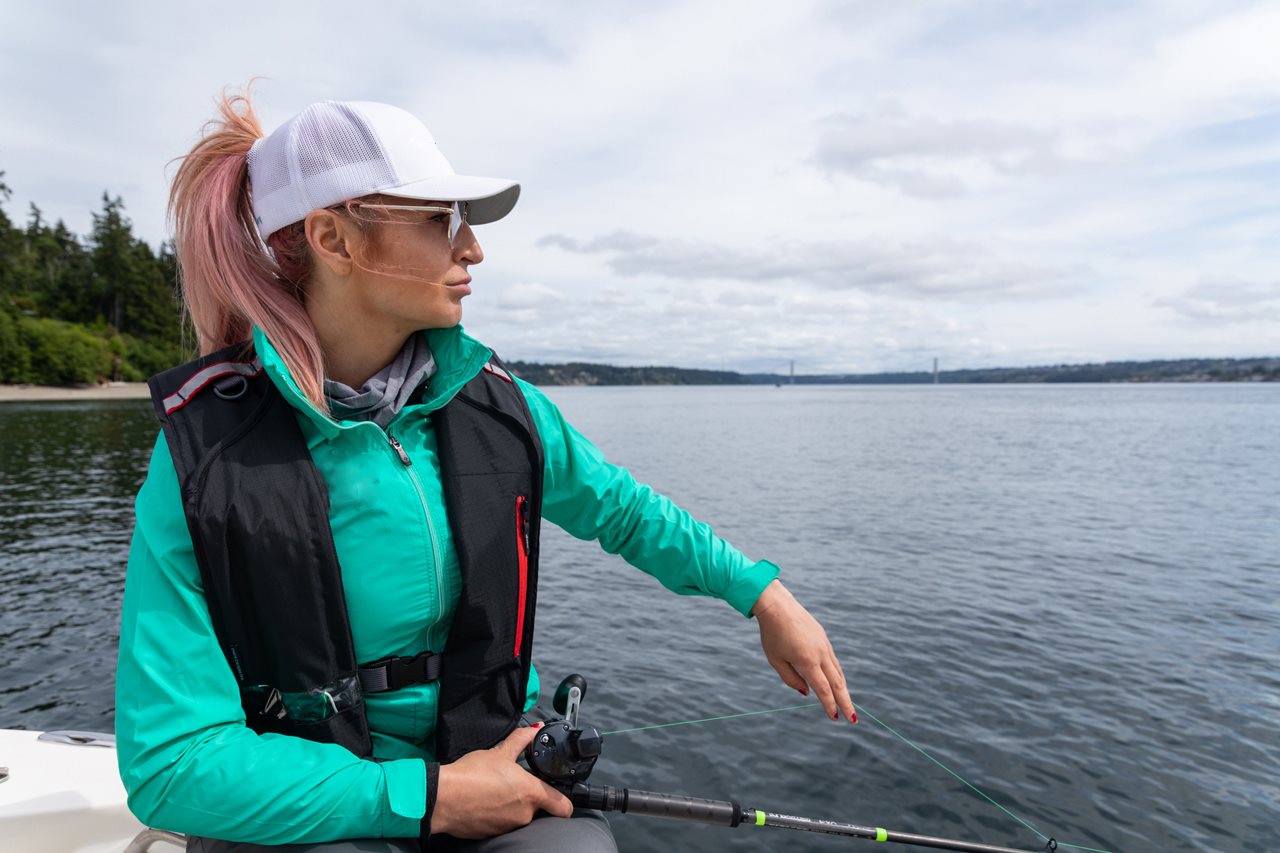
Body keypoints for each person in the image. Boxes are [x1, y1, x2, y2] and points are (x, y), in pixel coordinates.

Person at [114, 87, 856, 853]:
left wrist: (762, 594)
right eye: (440, 221)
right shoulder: (203, 457)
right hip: (316, 803)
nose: (472, 249)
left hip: (488, 771)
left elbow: (625, 510)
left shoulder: (503, 409)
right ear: (333, 239)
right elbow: (172, 764)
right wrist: (429, 797)